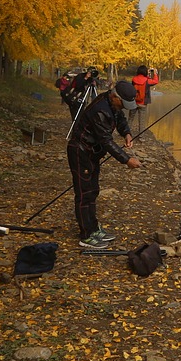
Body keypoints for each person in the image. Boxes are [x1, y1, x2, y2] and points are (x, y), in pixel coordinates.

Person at [67, 79, 141, 249]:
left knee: (93, 191)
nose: (123, 106)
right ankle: (86, 236)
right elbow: (106, 140)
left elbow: (120, 119)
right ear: (115, 96)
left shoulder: (112, 105)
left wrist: (127, 134)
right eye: (123, 102)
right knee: (84, 194)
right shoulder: (100, 110)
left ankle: (93, 229)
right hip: (80, 152)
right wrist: (126, 160)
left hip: (92, 153)